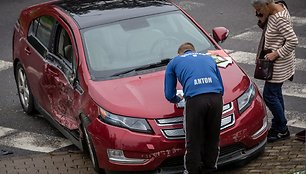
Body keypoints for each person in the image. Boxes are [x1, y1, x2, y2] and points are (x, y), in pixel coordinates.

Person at [164, 42, 224, 174]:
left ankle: (193, 170)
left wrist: (178, 99)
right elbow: (221, 86)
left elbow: (169, 94)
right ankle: (210, 168)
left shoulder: (174, 62)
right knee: (213, 137)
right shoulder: (208, 58)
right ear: (193, 51)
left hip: (195, 100)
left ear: (180, 53)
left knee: (193, 140)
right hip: (216, 98)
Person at [251, 0, 298, 143]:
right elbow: (270, 31)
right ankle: (278, 125)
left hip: (278, 65)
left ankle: (282, 128)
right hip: (277, 64)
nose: (258, 12)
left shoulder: (279, 18)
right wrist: (262, 17)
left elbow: (293, 41)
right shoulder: (275, 8)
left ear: (267, 5)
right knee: (275, 94)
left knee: (269, 96)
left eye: (259, 9)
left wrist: (275, 54)